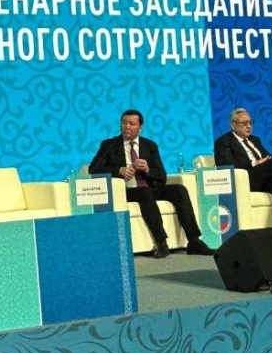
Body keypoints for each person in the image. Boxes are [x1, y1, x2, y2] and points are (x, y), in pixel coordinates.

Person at [88, 109, 215, 258]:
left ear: (140, 127)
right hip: (126, 190)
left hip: (149, 187)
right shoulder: (109, 145)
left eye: (132, 124)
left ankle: (194, 241)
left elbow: (162, 176)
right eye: (124, 123)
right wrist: (119, 170)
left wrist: (148, 169)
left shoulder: (150, 145)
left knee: (179, 190)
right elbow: (93, 169)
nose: (127, 126)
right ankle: (161, 242)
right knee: (145, 193)